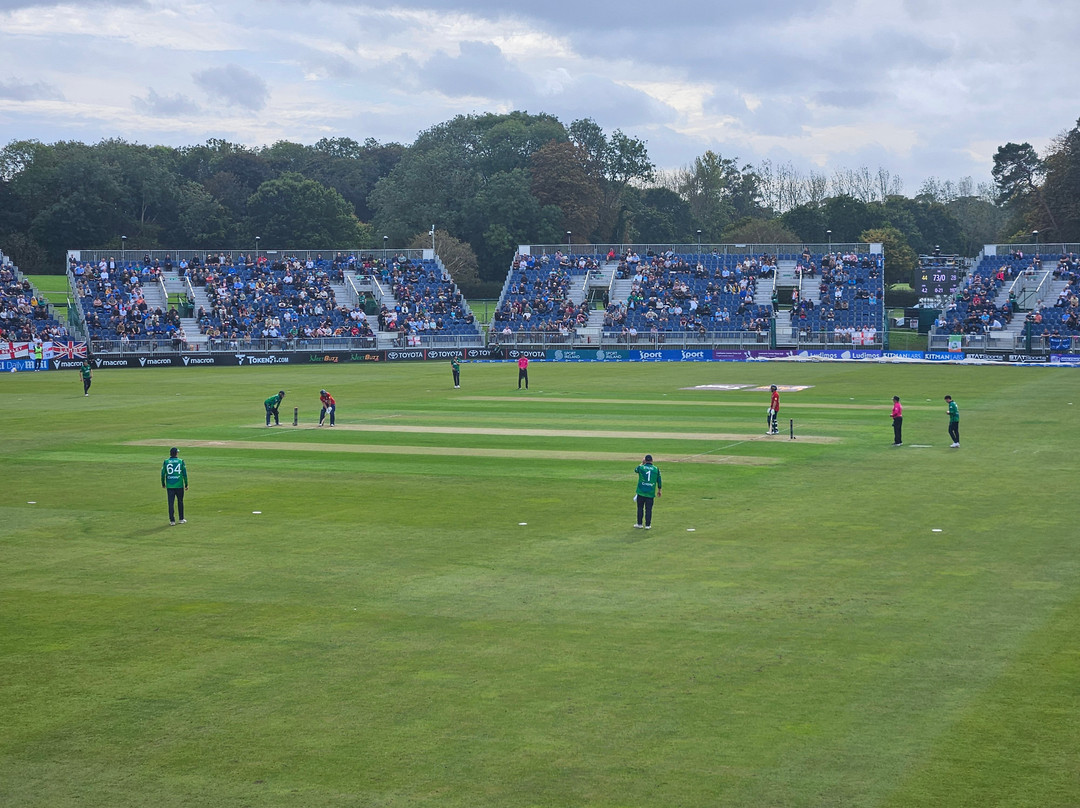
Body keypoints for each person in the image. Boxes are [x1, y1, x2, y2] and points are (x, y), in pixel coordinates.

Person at [161, 446, 188, 526]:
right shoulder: (181, 461)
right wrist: (186, 484)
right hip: (179, 484)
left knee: (170, 503)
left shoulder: (166, 462)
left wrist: (163, 483)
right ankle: (181, 519)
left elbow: (163, 474)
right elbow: (184, 474)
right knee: (180, 501)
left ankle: (172, 521)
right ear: (176, 453)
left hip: (170, 485)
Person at [633, 454, 662, 529]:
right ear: (652, 460)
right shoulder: (656, 469)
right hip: (650, 492)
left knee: (640, 508)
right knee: (648, 509)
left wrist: (642, 463)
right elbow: (659, 480)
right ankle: (648, 525)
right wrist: (659, 490)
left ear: (645, 460)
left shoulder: (641, 467)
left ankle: (639, 524)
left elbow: (635, 470)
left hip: (641, 491)